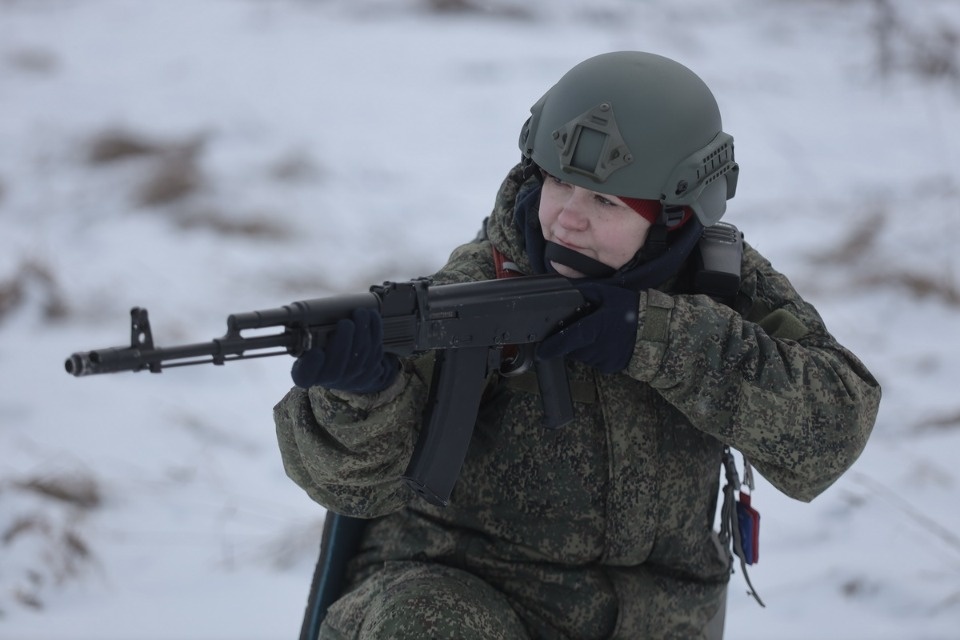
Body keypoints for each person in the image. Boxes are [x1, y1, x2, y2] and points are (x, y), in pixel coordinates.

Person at [273, 51, 881, 639]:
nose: (566, 219)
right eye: (558, 185)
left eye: (605, 201)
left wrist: (657, 339)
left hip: (664, 615)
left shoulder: (721, 282)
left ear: (676, 214)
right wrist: (360, 396)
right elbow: (353, 487)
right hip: (474, 598)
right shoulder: (478, 289)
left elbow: (830, 433)